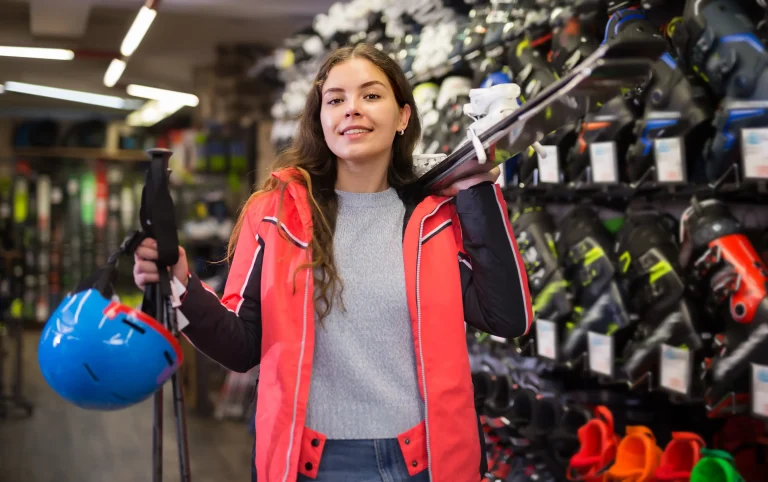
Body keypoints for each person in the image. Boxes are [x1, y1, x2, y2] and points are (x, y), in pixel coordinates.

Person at [133, 43, 533, 482]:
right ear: (320, 120)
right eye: (336, 99)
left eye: (371, 95)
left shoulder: (434, 219)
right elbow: (241, 346)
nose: (352, 110)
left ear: (403, 117)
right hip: (314, 467)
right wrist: (182, 287)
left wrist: (476, 187)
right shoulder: (275, 214)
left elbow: (507, 317)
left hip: (425, 463)